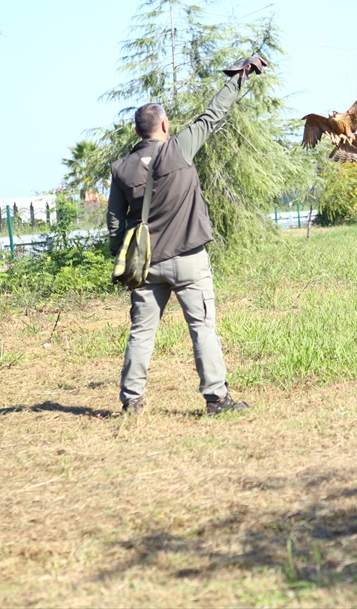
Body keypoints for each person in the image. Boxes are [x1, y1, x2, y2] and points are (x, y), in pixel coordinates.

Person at [106, 56, 266, 418]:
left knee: (141, 333)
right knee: (202, 328)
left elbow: (115, 220)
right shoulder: (178, 148)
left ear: (138, 132)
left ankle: (131, 402)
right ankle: (216, 399)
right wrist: (240, 78)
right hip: (189, 259)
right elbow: (213, 114)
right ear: (164, 124)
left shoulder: (121, 168)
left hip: (145, 265)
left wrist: (122, 257)